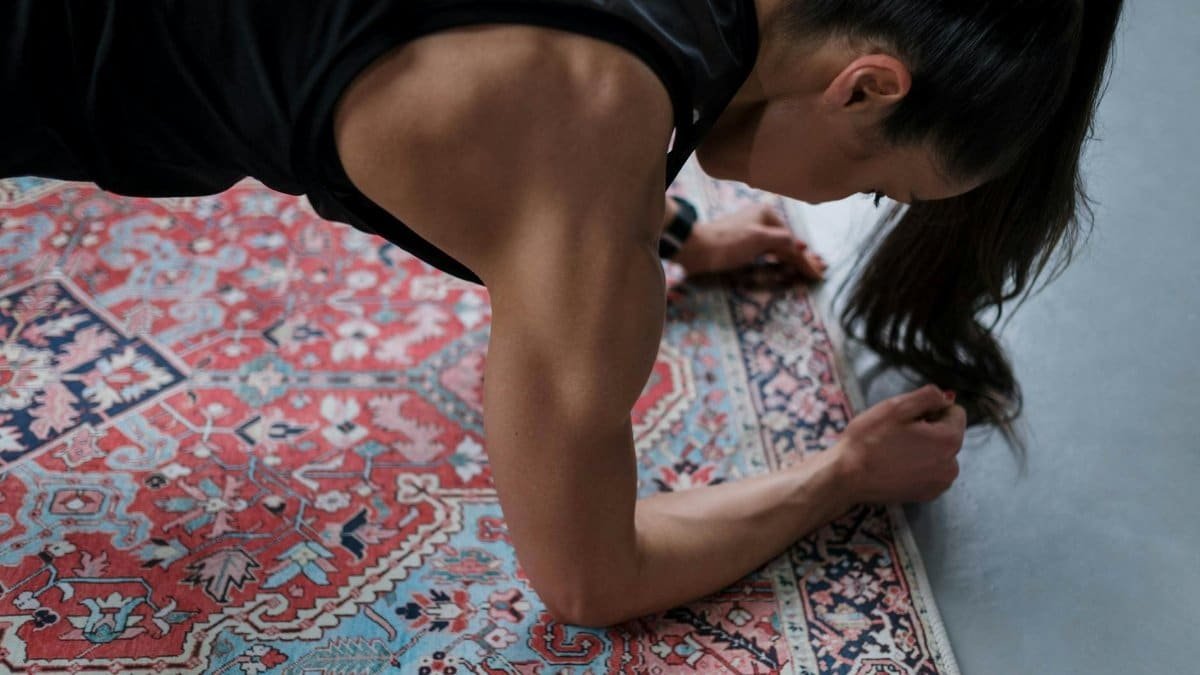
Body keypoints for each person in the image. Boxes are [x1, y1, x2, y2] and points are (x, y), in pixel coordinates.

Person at [1, 0, 1122, 627]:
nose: (839, 203)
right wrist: (839, 477)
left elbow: (495, 102)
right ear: (867, 87)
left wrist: (667, 226)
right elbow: (593, 577)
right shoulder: (587, 144)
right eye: (877, 188)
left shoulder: (624, 102)